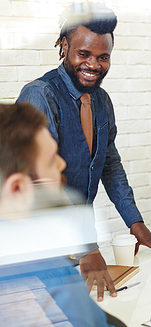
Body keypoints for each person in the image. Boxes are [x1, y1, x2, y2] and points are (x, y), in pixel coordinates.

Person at [17, 2, 151, 299]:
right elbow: (41, 179)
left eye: (103, 57)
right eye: (84, 54)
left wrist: (136, 224)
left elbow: (109, 165)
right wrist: (87, 246)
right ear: (64, 45)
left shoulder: (101, 100)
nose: (93, 65)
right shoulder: (39, 95)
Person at [0, 102, 125, 327]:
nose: (62, 164)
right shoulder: (38, 277)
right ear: (17, 189)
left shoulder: (33, 249)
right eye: (50, 161)